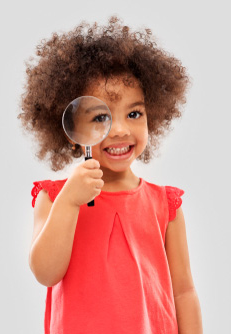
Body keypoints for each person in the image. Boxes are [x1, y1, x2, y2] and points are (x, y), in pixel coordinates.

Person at [18, 16, 203, 334]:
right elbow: (46, 273)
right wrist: (69, 202)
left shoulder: (165, 205)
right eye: (99, 116)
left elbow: (183, 291)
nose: (119, 129)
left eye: (134, 113)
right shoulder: (54, 196)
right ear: (72, 130)